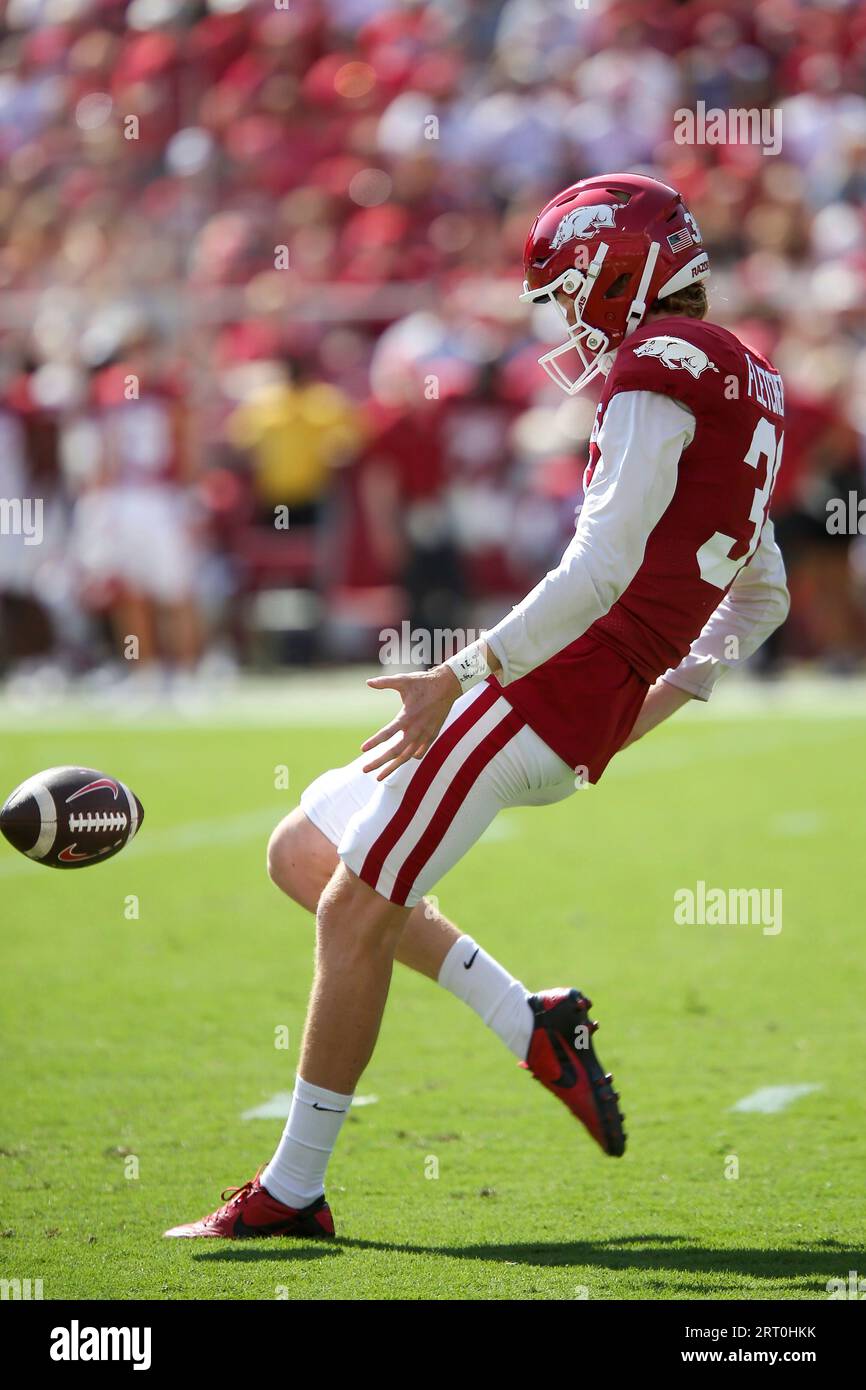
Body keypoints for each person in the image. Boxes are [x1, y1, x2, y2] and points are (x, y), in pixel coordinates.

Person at [165, 173, 790, 1240]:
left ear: (615, 271)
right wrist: (662, 691)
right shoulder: (747, 376)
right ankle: (529, 1018)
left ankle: (293, 1189)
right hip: (568, 693)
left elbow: (597, 570)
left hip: (534, 691)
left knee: (352, 908)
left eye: (568, 288)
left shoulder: (653, 371)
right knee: (301, 853)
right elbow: (760, 592)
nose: (564, 315)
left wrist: (458, 674)